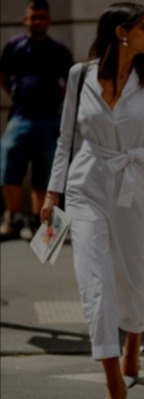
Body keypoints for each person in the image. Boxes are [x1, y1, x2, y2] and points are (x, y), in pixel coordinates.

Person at [39, 3, 144, 399]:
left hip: (136, 188)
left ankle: (133, 339)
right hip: (87, 187)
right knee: (95, 283)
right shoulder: (79, 75)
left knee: (134, 276)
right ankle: (112, 381)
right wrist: (52, 191)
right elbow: (66, 140)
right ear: (121, 33)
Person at [0, 0, 73, 240]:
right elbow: (3, 74)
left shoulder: (59, 50)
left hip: (50, 119)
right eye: (33, 17)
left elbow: (70, 82)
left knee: (45, 175)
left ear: (48, 20)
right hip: (20, 117)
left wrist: (57, 99)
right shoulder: (14, 47)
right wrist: (16, 95)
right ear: (26, 20)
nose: (37, 21)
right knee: (9, 167)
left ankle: (36, 222)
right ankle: (12, 217)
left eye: (41, 17)